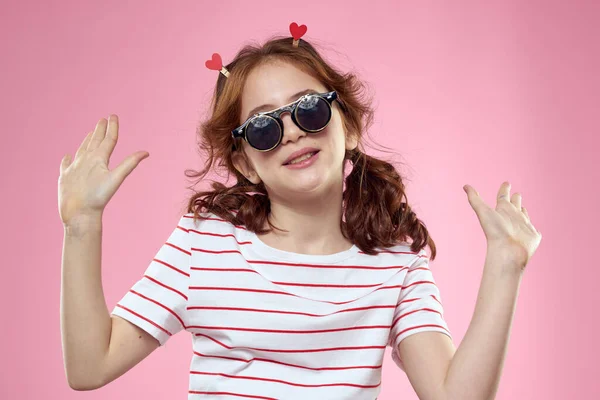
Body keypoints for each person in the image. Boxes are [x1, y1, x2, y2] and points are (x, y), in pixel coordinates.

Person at [59, 24, 542, 400]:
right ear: (246, 163)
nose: (290, 131)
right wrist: (82, 225)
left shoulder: (397, 263)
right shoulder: (203, 245)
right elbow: (89, 366)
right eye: (264, 127)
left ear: (348, 128)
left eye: (309, 109)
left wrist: (505, 265)